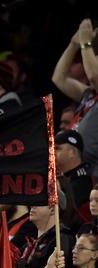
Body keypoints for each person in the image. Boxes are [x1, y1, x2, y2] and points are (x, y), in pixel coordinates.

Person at [51, 19, 98, 176]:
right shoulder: (89, 94)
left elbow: (93, 76)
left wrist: (86, 44)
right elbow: (59, 78)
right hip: (74, 171)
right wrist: (73, 44)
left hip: (93, 176)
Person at [56, 129, 93, 230]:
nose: (53, 152)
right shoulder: (68, 179)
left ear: (72, 152)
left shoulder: (83, 183)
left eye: (57, 148)